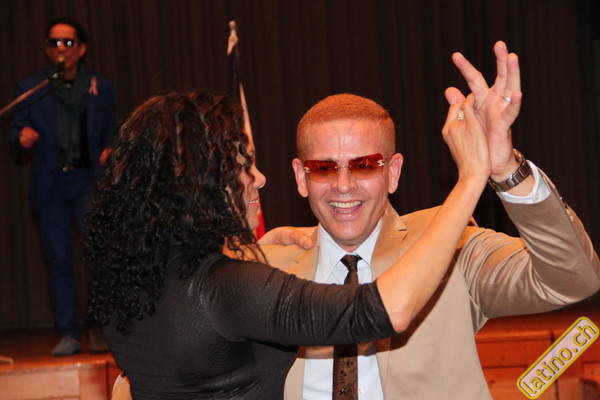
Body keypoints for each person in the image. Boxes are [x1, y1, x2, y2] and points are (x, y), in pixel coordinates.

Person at [86, 89, 491, 399]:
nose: (260, 179)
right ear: (202, 182)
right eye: (244, 165)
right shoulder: (228, 288)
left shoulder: (133, 279)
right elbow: (385, 311)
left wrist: (252, 251)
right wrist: (471, 179)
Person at [260, 42, 600, 399]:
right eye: (324, 168)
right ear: (300, 177)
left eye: (365, 165)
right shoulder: (265, 270)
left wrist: (505, 169)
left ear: (393, 172)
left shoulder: (449, 245)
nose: (343, 185)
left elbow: (573, 278)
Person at [8, 18, 115, 356]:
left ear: (81, 49)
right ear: (46, 48)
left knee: (97, 255)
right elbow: (15, 133)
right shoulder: (33, 88)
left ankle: (96, 326)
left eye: (68, 43)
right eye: (54, 42)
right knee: (58, 260)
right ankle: (68, 332)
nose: (60, 49)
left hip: (87, 183)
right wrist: (20, 138)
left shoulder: (99, 87)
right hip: (51, 186)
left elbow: (111, 131)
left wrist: (109, 149)